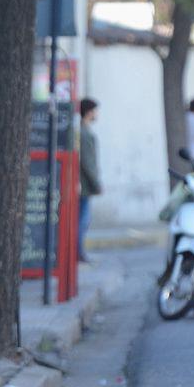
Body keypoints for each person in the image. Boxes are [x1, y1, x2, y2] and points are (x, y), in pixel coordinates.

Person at [78, 98, 102, 263]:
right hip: (84, 186)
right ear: (89, 112)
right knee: (83, 220)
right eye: (95, 110)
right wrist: (96, 183)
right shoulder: (84, 133)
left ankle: (79, 252)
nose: (97, 114)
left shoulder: (83, 130)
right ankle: (79, 252)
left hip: (84, 185)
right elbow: (87, 162)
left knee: (83, 220)